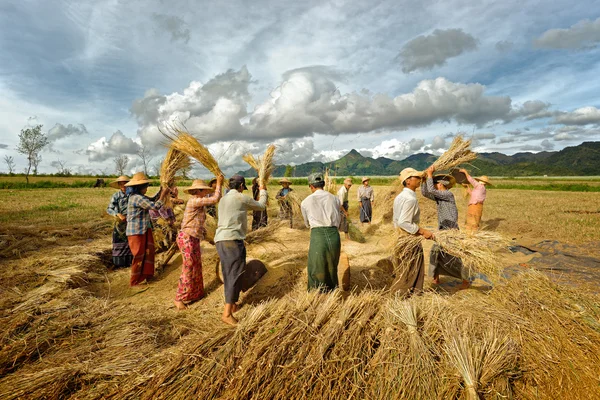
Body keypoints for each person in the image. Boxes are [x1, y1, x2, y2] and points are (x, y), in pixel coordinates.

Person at [214, 175, 267, 326]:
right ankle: (226, 314)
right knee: (234, 274)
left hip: (221, 240)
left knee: (230, 272)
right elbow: (261, 206)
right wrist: (262, 190)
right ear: (242, 185)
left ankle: (233, 304)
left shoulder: (224, 199)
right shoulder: (240, 198)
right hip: (232, 240)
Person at [174, 176, 223, 310]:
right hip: (187, 237)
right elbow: (215, 199)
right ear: (199, 191)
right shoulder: (194, 201)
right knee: (189, 266)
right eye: (205, 191)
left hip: (194, 237)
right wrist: (218, 183)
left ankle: (196, 294)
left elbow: (216, 197)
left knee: (196, 266)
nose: (207, 192)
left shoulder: (199, 201)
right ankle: (179, 298)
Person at [421, 166, 470, 289]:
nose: (434, 185)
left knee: (457, 255)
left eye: (436, 183)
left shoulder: (447, 194)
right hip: (443, 229)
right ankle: (435, 278)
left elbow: (431, 190)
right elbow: (425, 192)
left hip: (451, 230)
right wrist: (424, 179)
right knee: (436, 252)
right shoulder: (440, 196)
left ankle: (465, 280)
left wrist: (430, 175)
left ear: (441, 185)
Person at [392, 168, 434, 296]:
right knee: (410, 269)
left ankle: (411, 295)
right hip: (408, 238)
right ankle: (400, 296)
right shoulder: (410, 199)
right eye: (416, 177)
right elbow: (403, 222)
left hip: (401, 238)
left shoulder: (400, 196)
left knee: (406, 268)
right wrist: (422, 231)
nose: (419, 180)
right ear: (408, 181)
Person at [125, 172, 168, 286]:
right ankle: (135, 281)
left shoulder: (140, 197)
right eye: (146, 186)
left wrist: (161, 190)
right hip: (136, 231)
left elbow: (153, 199)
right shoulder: (137, 198)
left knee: (149, 252)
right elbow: (154, 207)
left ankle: (147, 275)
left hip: (143, 229)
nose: (147, 188)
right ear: (140, 187)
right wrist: (163, 195)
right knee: (139, 254)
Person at [301, 172, 342, 291]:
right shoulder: (334, 198)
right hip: (334, 235)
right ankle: (332, 294)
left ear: (311, 186)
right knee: (331, 266)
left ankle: (317, 296)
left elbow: (307, 223)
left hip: (318, 235)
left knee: (316, 266)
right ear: (323, 184)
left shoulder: (306, 202)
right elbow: (338, 218)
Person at [106, 175, 133, 268]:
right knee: (118, 241)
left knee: (130, 242)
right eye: (121, 185)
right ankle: (119, 263)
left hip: (131, 222)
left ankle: (130, 262)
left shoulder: (133, 195)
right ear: (119, 186)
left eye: (125, 184)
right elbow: (109, 209)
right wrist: (118, 214)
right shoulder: (116, 196)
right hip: (120, 223)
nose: (123, 187)